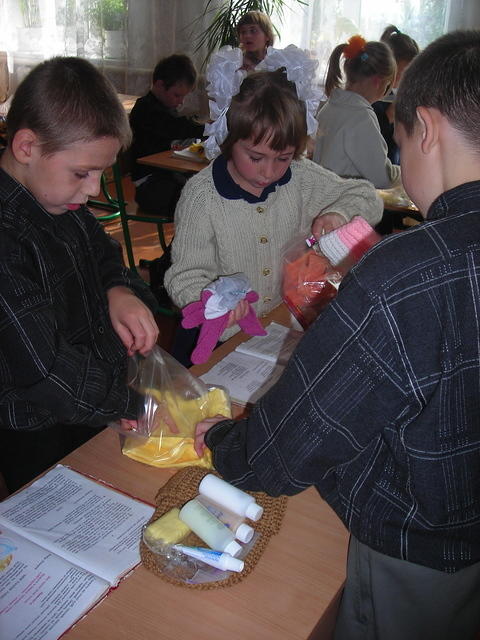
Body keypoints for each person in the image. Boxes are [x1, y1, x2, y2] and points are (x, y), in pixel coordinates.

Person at [194, 30, 480, 640]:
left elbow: (296, 436)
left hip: (416, 553)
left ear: (424, 130)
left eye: (400, 144)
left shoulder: (404, 276)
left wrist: (225, 441)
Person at [0, 57, 159, 493]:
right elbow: (46, 370)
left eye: (101, 173)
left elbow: (101, 248)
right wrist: (134, 402)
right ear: (27, 147)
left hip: (93, 402)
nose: (93, 189)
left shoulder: (60, 201)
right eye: (82, 173)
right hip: (38, 429)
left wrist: (117, 289)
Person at [165, 55, 383, 366]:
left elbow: (366, 196)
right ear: (230, 139)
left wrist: (340, 213)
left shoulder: (301, 176)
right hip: (218, 338)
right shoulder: (202, 197)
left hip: (281, 328)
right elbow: (184, 275)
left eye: (282, 158)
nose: (268, 171)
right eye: (255, 157)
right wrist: (212, 300)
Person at [313, 34, 401, 189]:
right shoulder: (361, 117)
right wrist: (405, 173)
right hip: (344, 205)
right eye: (387, 86)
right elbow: (383, 177)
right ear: (378, 81)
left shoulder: (329, 108)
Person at [129, 54, 204, 216]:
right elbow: (177, 128)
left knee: (203, 193)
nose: (181, 101)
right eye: (177, 95)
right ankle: (182, 241)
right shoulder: (146, 110)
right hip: (149, 186)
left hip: (168, 177)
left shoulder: (165, 109)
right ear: (159, 85)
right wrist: (210, 129)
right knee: (196, 203)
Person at [373, 25, 419, 163]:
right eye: (404, 73)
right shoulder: (372, 97)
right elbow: (370, 138)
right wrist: (390, 114)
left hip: (394, 167)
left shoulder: (396, 94)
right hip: (377, 168)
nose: (407, 78)